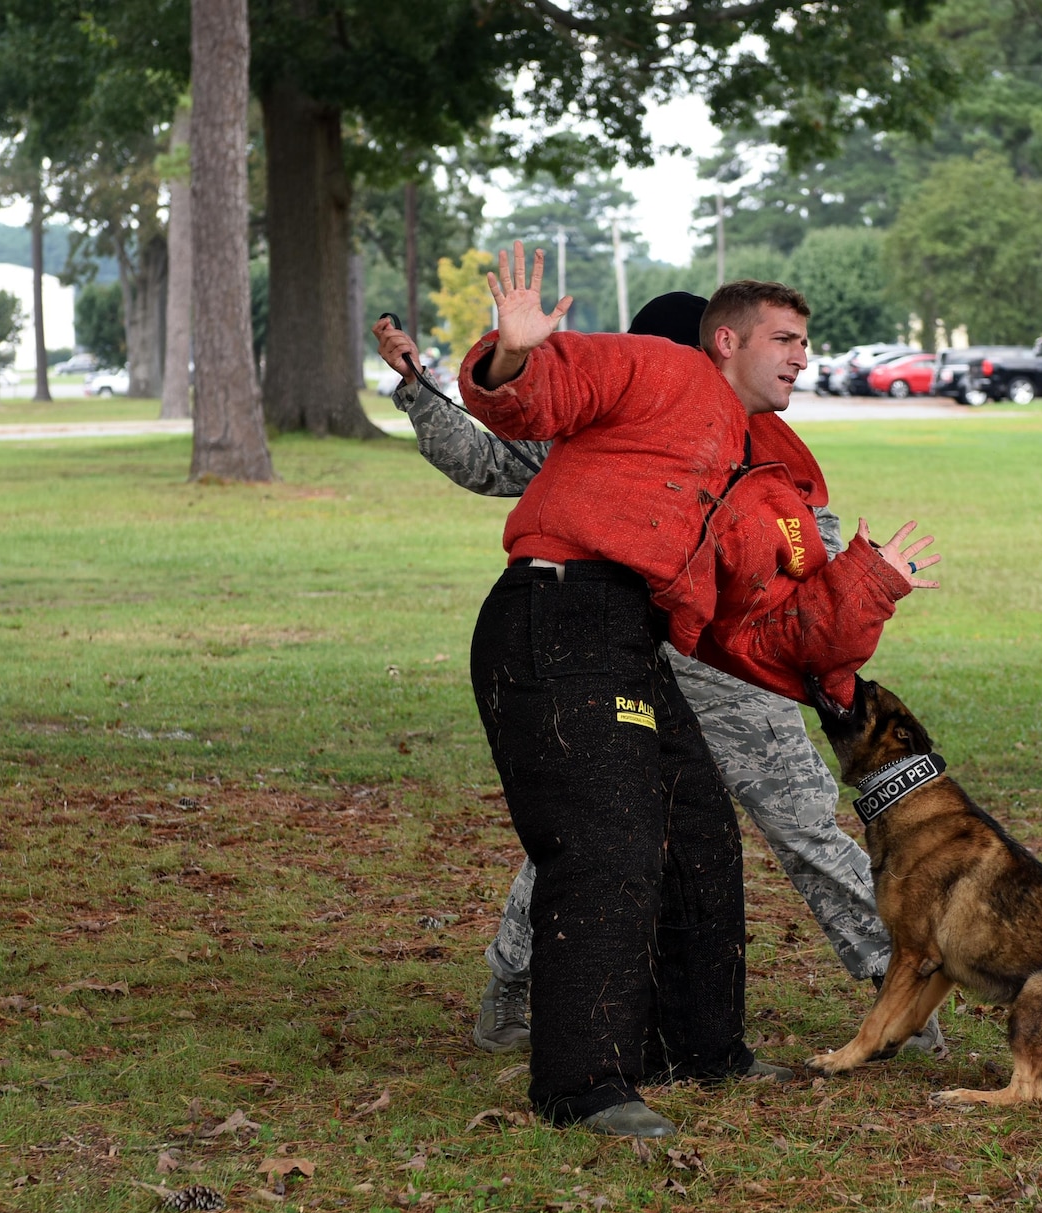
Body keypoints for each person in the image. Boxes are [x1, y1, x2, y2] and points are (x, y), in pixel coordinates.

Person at [372, 286, 945, 1061]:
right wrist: (422, 389)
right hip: (618, 650)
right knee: (598, 825)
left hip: (727, 669)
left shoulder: (765, 451)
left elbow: (805, 556)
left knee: (792, 823)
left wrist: (860, 581)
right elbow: (488, 457)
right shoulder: (610, 423)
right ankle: (515, 988)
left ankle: (897, 998)